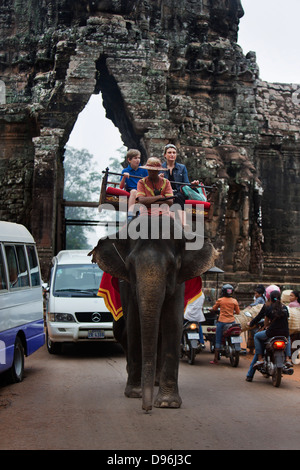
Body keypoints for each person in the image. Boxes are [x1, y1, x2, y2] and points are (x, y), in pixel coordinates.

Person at [246, 289, 292, 382]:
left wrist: (264, 326)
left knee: (257, 336)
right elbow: (286, 320)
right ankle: (287, 358)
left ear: (269, 298)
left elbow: (264, 322)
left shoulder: (268, 307)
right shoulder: (284, 308)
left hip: (271, 333)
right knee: (288, 338)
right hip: (284, 332)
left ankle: (259, 360)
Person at [161, 144, 200, 227]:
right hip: (166, 192)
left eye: (174, 153)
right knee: (170, 197)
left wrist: (192, 185)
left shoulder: (182, 168)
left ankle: (184, 224)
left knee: (178, 197)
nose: (172, 155)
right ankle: (173, 224)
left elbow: (185, 183)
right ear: (165, 155)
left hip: (179, 192)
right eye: (169, 152)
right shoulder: (160, 168)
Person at [209, 284, 240, 364]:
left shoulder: (220, 300)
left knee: (218, 338)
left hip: (222, 322)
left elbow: (214, 308)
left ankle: (215, 359)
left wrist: (211, 309)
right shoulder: (234, 301)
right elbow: (238, 312)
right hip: (232, 322)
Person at [119, 149, 148, 216]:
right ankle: (130, 213)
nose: (138, 160)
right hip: (132, 190)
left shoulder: (143, 170)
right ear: (129, 160)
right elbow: (121, 187)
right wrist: (124, 177)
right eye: (135, 158)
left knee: (144, 194)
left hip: (142, 191)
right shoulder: (125, 170)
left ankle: (142, 214)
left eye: (139, 158)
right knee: (134, 192)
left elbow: (149, 181)